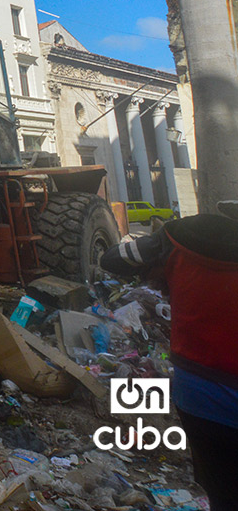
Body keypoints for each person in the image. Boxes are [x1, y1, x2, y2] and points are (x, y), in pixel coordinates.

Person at [99, 201, 238, 507]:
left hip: (200, 395)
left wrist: (164, 263)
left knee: (223, 491)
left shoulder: (180, 237)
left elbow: (112, 258)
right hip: (207, 390)